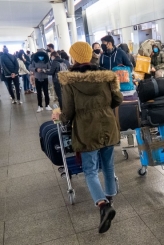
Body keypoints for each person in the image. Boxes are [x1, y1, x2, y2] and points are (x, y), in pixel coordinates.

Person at [52, 41, 123, 234]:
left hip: (86, 129)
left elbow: (68, 110)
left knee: (91, 170)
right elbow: (118, 99)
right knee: (108, 165)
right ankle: (109, 199)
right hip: (108, 125)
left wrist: (60, 115)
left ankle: (102, 206)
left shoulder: (70, 80)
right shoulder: (107, 76)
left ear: (73, 57)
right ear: (91, 54)